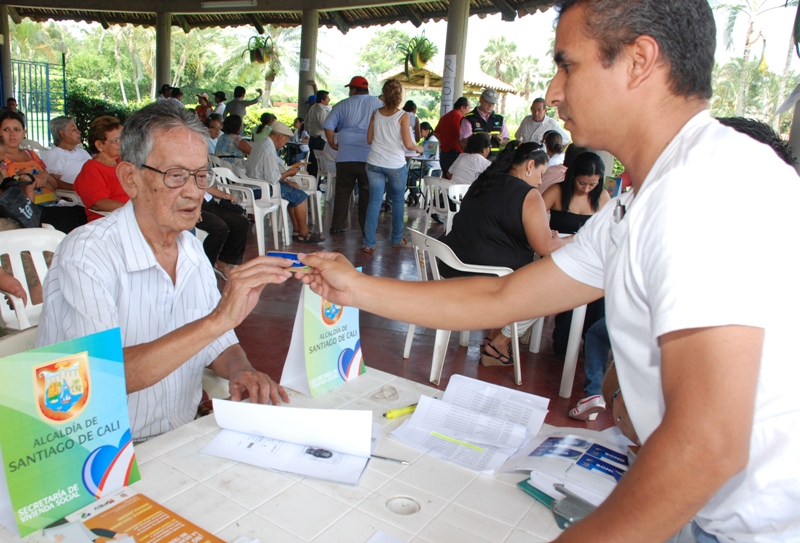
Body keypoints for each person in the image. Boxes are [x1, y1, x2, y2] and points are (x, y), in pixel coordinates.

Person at [297, 0, 800, 541]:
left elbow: (708, 444)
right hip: (705, 513)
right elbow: (502, 298)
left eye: (568, 65)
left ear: (639, 60)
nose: (554, 92)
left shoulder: (706, 189)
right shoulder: (641, 202)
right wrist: (357, 289)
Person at [37, 100, 291, 442]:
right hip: (105, 451)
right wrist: (218, 320)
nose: (193, 192)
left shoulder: (190, 249)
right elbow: (99, 376)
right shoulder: (87, 255)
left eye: (200, 176)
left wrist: (241, 370)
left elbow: (218, 342)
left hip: (179, 436)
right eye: (175, 176)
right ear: (130, 178)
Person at [439, 142, 567, 365]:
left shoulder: (485, 181)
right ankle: (500, 341)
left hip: (451, 265)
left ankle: (493, 336)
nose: (540, 181)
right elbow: (544, 247)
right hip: (487, 276)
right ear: (530, 165)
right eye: (541, 174)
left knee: (515, 268)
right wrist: (572, 240)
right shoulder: (528, 195)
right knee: (552, 287)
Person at [542, 152, 610, 357]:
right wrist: (547, 232)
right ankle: (565, 339)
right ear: (572, 176)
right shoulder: (557, 192)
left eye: (593, 184)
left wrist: (572, 239)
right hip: (559, 258)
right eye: (582, 183)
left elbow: (606, 233)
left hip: (588, 258)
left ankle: (592, 339)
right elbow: (532, 217)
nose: (586, 189)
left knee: (600, 284)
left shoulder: (602, 198)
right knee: (576, 282)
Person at [0, 111, 86, 233]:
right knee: (68, 217)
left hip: (52, 202)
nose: (12, 134)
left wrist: (44, 176)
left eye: (17, 130)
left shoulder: (31, 154)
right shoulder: (2, 159)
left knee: (83, 213)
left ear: (24, 133)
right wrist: (33, 181)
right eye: (6, 129)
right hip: (28, 209)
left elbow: (53, 184)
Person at [362, 79, 420, 253]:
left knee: (374, 201)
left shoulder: (376, 113)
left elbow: (369, 139)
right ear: (399, 96)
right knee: (398, 201)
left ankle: (369, 243)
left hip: (374, 162)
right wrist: (419, 148)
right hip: (395, 164)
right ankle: (397, 239)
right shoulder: (403, 116)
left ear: (384, 95)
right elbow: (408, 144)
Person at [322, 75, 383, 235]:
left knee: (342, 191)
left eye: (350, 89)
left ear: (354, 89)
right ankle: (366, 228)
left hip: (345, 155)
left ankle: (338, 225)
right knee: (367, 192)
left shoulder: (342, 104)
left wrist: (331, 142)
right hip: (369, 155)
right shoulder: (378, 104)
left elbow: (328, 126)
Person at [246, 121, 325, 243]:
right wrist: (289, 173)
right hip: (262, 189)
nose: (285, 143)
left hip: (254, 185)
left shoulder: (261, 144)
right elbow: (273, 178)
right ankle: (304, 232)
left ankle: (297, 231)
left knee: (293, 192)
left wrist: (287, 182)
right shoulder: (268, 149)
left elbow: (268, 174)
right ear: (281, 136)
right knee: (300, 196)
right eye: (286, 139)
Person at [73, 116, 128, 222]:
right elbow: (98, 203)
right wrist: (134, 209)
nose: (121, 143)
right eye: (115, 140)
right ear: (99, 145)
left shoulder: (123, 162)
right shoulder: (92, 168)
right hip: (111, 221)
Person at [42, 116, 91, 189]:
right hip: (79, 193)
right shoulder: (54, 154)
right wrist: (79, 188)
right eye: (74, 129)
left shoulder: (82, 152)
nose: (79, 132)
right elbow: (53, 182)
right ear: (63, 134)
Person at [459, 89, 509, 156]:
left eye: (493, 103)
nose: (490, 106)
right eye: (488, 102)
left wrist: (501, 141)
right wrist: (480, 139)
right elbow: (463, 142)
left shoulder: (499, 118)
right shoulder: (469, 118)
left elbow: (506, 141)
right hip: (475, 158)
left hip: (494, 159)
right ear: (481, 99)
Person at [434, 97, 470, 176]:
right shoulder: (459, 118)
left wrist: (444, 140)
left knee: (447, 178)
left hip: (443, 154)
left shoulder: (445, 117)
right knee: (456, 179)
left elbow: (436, 133)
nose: (469, 111)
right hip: (455, 153)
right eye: (468, 108)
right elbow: (460, 137)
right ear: (462, 108)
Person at [306, 88, 331, 177]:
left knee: (313, 161)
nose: (329, 100)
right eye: (327, 98)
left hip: (313, 138)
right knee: (318, 162)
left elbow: (306, 122)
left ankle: (312, 179)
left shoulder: (313, 107)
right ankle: (315, 180)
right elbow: (323, 125)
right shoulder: (321, 109)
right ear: (322, 100)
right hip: (319, 139)